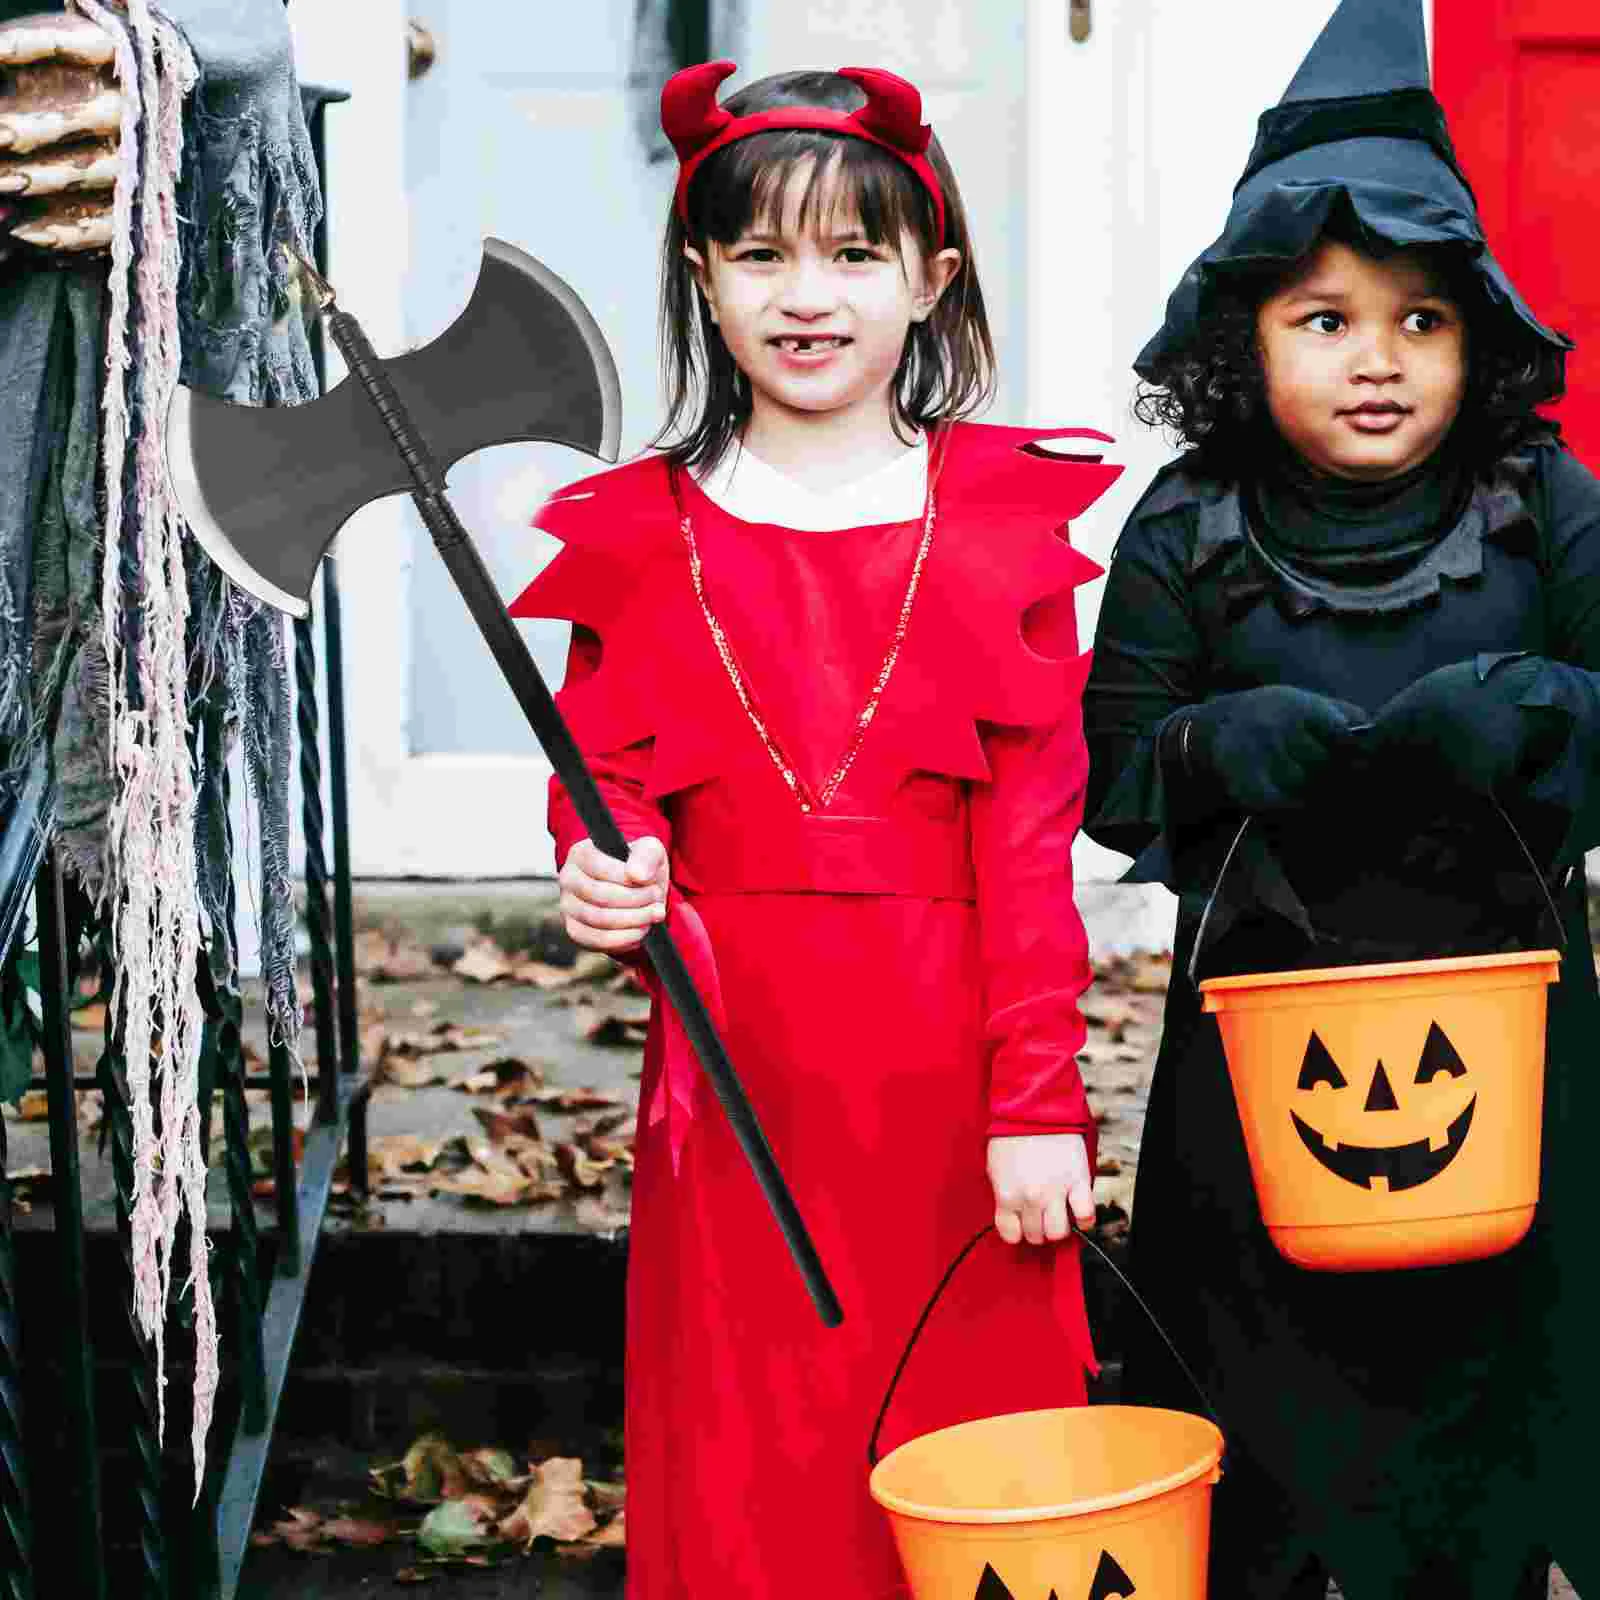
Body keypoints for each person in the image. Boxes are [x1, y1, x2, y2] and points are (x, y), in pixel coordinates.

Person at [508, 61, 1122, 1598]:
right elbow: (606, 781)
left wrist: (1036, 1100)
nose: (810, 295)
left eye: (854, 255)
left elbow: (1029, 849)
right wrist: (605, 866)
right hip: (741, 1092)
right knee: (756, 1474)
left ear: (931, 280)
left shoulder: (995, 525)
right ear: (701, 277)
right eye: (764, 254)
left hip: (956, 1089)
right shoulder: (645, 537)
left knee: (968, 1467)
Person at [1083, 1, 1600, 1596]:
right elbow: (1110, 772)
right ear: (1244, 339)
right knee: (1267, 1420)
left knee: (1494, 1406)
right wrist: (1212, 747)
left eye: (1421, 320)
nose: (1376, 358)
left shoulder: (1546, 505)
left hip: (1503, 1031)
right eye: (1324, 318)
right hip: (1261, 1048)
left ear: (1478, 337)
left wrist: (1544, 708)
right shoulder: (1189, 525)